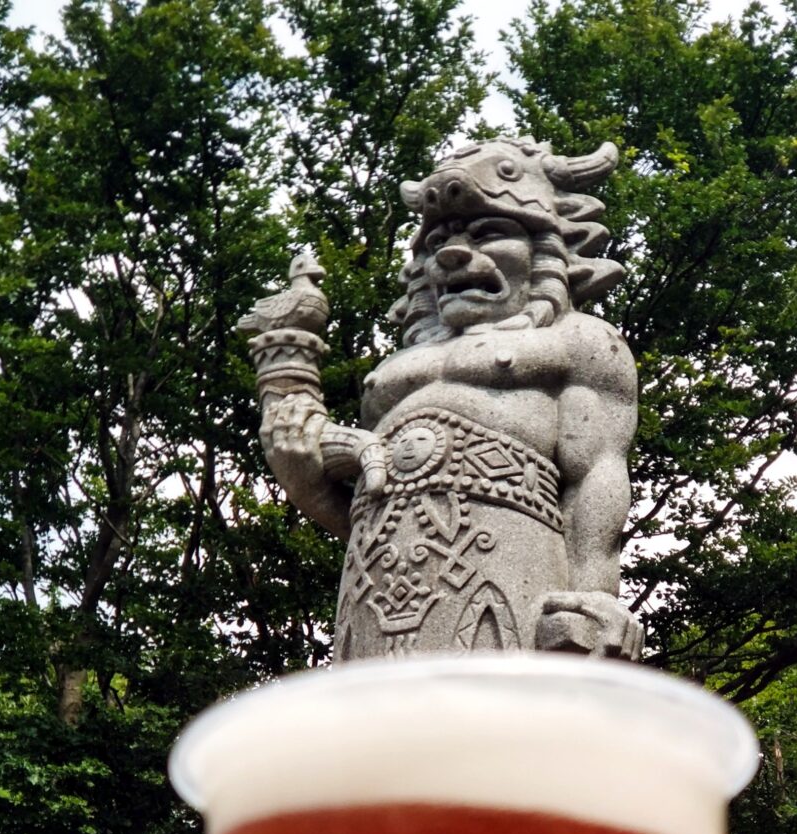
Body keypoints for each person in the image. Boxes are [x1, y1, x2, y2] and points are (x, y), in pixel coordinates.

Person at [253, 137, 644, 661]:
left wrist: (594, 594)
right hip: (373, 580)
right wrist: (301, 477)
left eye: (489, 233)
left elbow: (596, 471)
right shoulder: (393, 371)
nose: (453, 254)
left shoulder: (580, 340)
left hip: (513, 566)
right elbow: (364, 506)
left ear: (544, 249)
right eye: (438, 242)